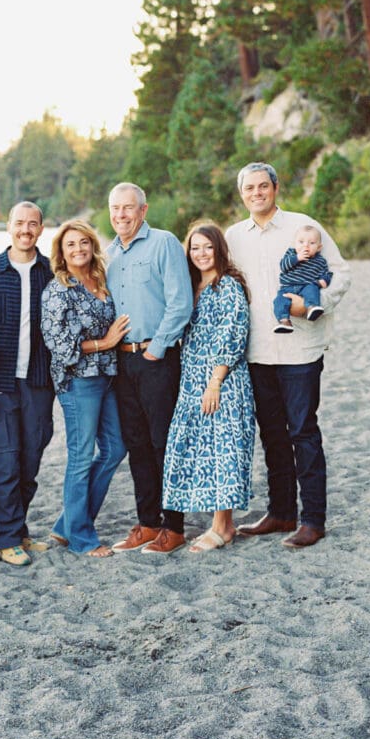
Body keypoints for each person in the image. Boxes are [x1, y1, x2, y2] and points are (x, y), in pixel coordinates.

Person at [225, 162, 351, 548]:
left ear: (276, 188)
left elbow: (341, 273)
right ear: (242, 193)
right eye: (250, 188)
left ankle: (313, 519)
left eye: (264, 186)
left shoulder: (302, 225)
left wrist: (314, 305)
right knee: (273, 435)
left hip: (300, 350)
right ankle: (281, 513)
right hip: (257, 351)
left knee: (303, 432)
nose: (257, 193)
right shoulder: (234, 236)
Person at [105, 183, 194, 555]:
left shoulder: (164, 243)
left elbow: (181, 302)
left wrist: (156, 349)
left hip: (156, 359)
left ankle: (174, 527)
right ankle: (148, 523)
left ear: (143, 210)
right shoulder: (107, 253)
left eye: (128, 208)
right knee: (136, 443)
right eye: (115, 208)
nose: (121, 215)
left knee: (162, 442)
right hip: (120, 361)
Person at [162, 224, 256, 552]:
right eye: (195, 248)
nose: (201, 254)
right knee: (197, 448)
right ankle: (225, 525)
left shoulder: (227, 285)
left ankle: (220, 527)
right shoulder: (192, 286)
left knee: (222, 449)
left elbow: (233, 334)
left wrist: (215, 382)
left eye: (207, 247)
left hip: (222, 380)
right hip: (192, 380)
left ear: (218, 249)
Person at [41, 220, 130, 557]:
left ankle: (67, 525)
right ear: (61, 254)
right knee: (80, 457)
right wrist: (104, 342)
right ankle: (81, 538)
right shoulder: (58, 290)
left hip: (108, 376)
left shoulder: (102, 281)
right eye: (70, 245)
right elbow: (59, 346)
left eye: (83, 242)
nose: (78, 249)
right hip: (78, 381)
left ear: (93, 245)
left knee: (116, 448)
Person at [0, 202, 54, 567]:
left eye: (32, 224)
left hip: (38, 381)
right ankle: (5, 538)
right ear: (8, 226)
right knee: (5, 462)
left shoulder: (52, 272)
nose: (25, 229)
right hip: (0, 383)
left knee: (30, 461)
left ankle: (18, 530)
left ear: (41, 228)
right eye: (19, 223)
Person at [272, 225, 333, 333]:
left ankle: (312, 308)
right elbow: (283, 266)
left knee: (312, 290)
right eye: (301, 242)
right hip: (288, 287)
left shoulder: (320, 260)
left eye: (312, 243)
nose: (306, 246)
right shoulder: (291, 254)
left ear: (319, 247)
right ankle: (284, 321)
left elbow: (327, 273)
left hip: (307, 285)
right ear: (295, 244)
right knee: (279, 300)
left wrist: (324, 280)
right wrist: (297, 258)